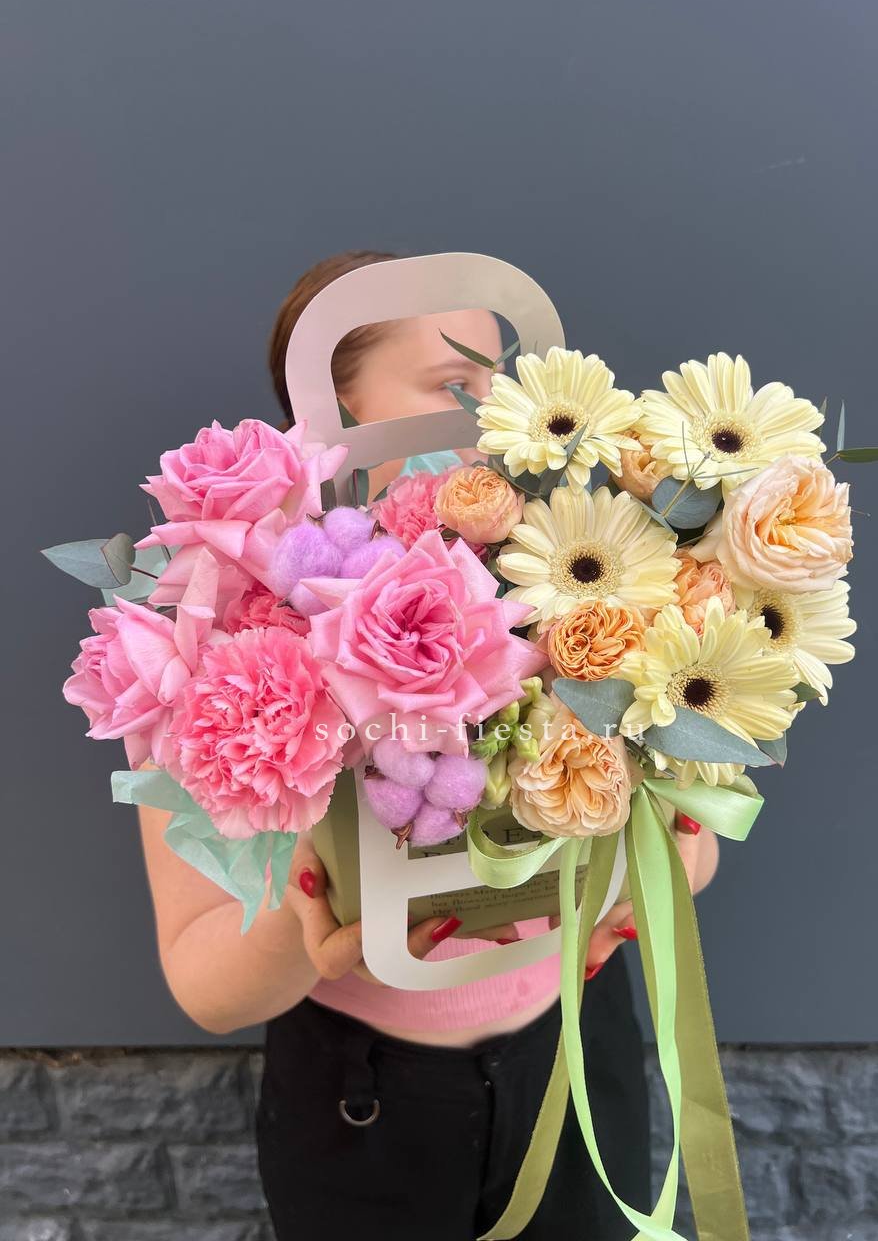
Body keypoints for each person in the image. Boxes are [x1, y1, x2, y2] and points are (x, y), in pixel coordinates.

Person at [137, 250, 720, 1241]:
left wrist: (643, 869)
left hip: (576, 1062)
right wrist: (316, 911)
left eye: (501, 383)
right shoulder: (224, 635)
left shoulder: (583, 580)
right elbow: (207, 987)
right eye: (453, 385)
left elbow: (693, 854)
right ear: (334, 406)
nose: (491, 416)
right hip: (362, 1101)